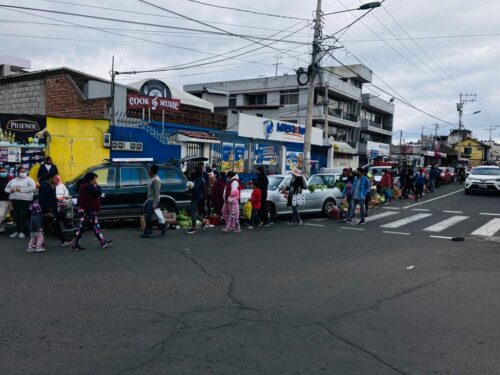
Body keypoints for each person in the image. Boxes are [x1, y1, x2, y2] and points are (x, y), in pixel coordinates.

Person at [72, 172, 113, 251]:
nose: (96, 180)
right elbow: (98, 193)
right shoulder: (88, 187)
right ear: (91, 179)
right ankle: (75, 244)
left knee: (93, 226)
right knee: (85, 228)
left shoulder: (84, 185)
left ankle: (102, 242)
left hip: (86, 210)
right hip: (87, 211)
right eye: (95, 178)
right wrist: (97, 186)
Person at [38, 171, 73, 246]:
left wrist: (58, 201)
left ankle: (63, 238)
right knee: (54, 225)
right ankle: (63, 240)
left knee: (52, 225)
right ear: (50, 178)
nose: (57, 179)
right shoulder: (44, 186)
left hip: (54, 208)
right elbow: (43, 200)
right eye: (55, 178)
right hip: (49, 210)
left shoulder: (52, 185)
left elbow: (53, 197)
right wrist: (47, 211)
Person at [5, 167, 36, 238]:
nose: (23, 173)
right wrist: (10, 190)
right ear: (18, 172)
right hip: (14, 200)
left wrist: (21, 189)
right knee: (16, 216)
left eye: (24, 171)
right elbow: (6, 189)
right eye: (21, 171)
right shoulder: (13, 180)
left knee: (22, 215)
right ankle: (17, 231)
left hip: (25, 200)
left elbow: (33, 187)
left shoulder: (29, 179)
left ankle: (22, 232)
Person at [141, 164, 167, 238]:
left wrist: (155, 203)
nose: (148, 171)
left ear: (152, 171)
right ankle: (163, 227)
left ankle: (148, 232)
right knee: (151, 217)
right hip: (149, 199)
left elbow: (157, 192)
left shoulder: (156, 180)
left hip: (153, 200)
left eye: (149, 170)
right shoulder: (152, 178)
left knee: (149, 217)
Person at [187, 168, 207, 234]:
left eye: (194, 171)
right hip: (196, 197)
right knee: (194, 212)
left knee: (192, 212)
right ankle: (203, 221)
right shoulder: (197, 179)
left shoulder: (199, 180)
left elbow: (196, 189)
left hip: (196, 197)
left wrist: (190, 189)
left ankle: (194, 228)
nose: (192, 173)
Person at [0, 167, 10, 234]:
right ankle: (1, 228)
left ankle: (2, 228)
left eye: (4, 171)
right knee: (1, 215)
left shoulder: (9, 179)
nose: (3, 173)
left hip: (6, 199)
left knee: (3, 215)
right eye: (1, 172)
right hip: (1, 199)